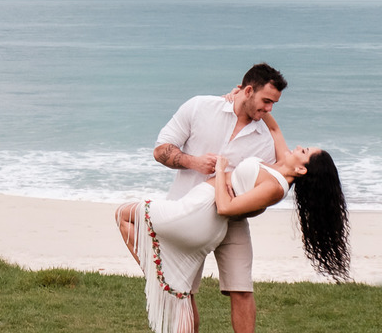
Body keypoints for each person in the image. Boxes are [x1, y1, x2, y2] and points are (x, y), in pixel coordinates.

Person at [116, 145, 350, 333]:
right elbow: (274, 129)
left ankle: (157, 274)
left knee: (123, 215)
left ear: (301, 170)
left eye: (304, 151)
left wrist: (220, 170)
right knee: (181, 295)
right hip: (202, 217)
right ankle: (160, 275)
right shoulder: (279, 169)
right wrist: (246, 100)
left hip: (195, 213)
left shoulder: (275, 186)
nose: (298, 147)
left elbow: (225, 207)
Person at [149, 63, 289, 333]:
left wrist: (244, 206)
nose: (270, 109)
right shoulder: (199, 107)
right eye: (266, 101)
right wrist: (193, 162)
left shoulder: (265, 141)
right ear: (248, 91)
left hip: (232, 220)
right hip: (187, 212)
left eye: (274, 103)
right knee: (183, 292)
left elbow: (263, 195)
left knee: (242, 290)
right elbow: (160, 150)